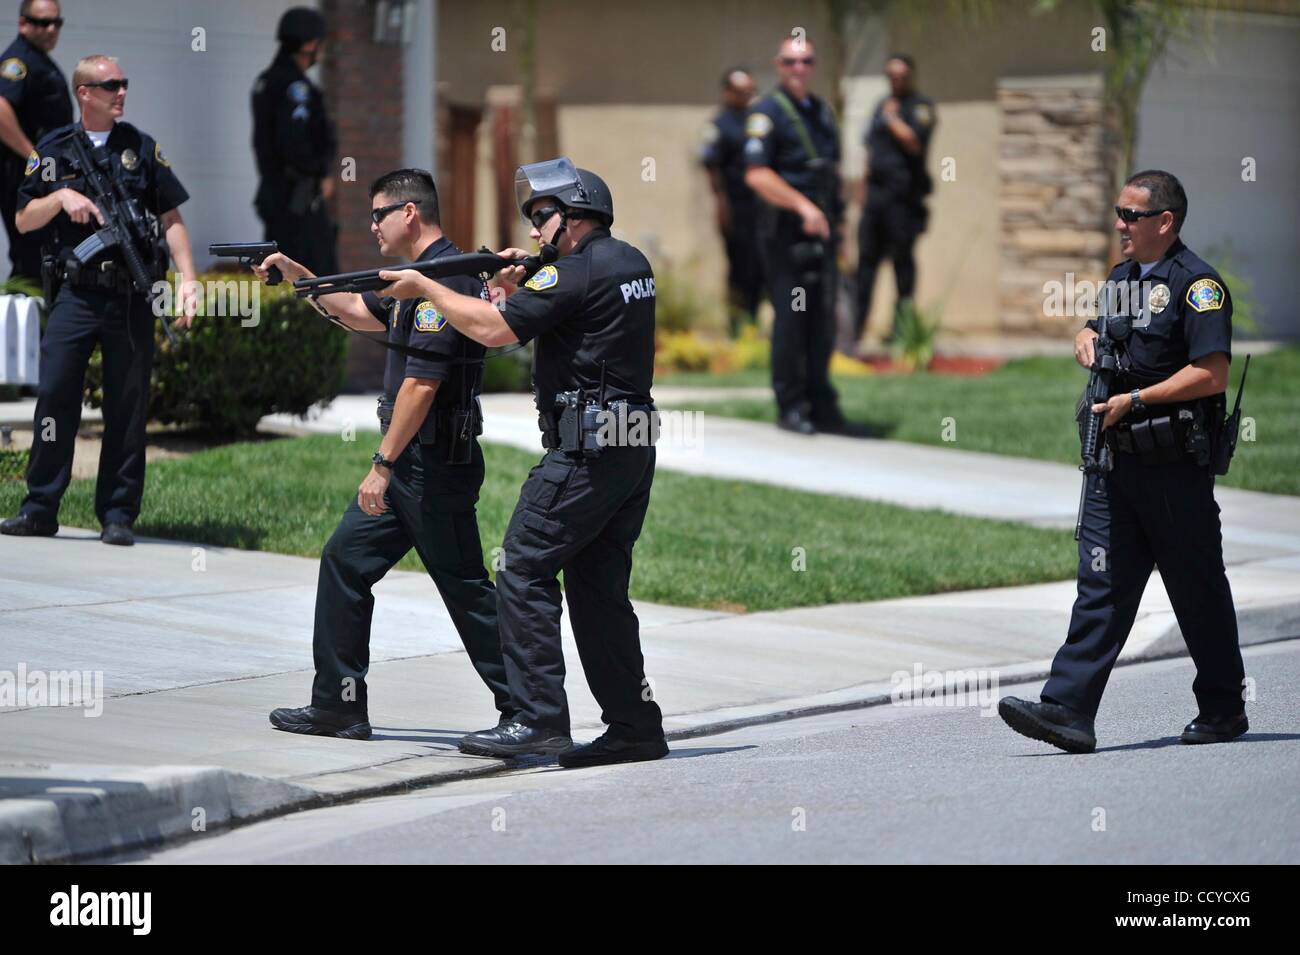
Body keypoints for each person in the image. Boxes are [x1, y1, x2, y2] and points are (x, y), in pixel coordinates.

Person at [377, 158, 667, 769]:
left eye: (542, 218)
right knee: (598, 590)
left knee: (524, 568)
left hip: (587, 448)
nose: (535, 232)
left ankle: (537, 720)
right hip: (630, 443)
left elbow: (494, 332)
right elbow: (564, 323)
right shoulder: (628, 263)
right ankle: (635, 726)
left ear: (577, 214)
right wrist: (519, 284)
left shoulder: (574, 272)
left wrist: (429, 286)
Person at [259, 168, 513, 740]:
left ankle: (529, 708)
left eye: (378, 214)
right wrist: (301, 277)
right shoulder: (414, 279)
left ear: (409, 214)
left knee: (467, 590)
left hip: (429, 467)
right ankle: (339, 704)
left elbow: (421, 385)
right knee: (345, 563)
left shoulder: (443, 282)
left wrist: (383, 464)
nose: (371, 225)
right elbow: (356, 309)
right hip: (413, 466)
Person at [1000, 170, 1247, 753]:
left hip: (1172, 467)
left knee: (1196, 589)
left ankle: (1223, 708)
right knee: (1102, 584)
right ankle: (1068, 710)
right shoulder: (1122, 279)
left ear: (1165, 221)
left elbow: (1211, 374)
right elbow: (1102, 330)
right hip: (1116, 464)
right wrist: (1084, 336)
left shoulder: (1198, 286)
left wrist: (1137, 399)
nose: (1119, 225)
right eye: (1119, 213)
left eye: (1130, 216)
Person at [0, 54, 196, 547]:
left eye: (124, 84)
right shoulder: (52, 150)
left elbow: (171, 219)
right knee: (55, 397)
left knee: (127, 408)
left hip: (130, 297)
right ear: (84, 93)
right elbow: (24, 218)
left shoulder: (141, 148)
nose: (121, 93)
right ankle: (40, 507)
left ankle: (117, 514)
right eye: (110, 85)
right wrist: (59, 199)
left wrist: (188, 279)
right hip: (76, 295)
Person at [744, 35, 857, 436]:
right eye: (791, 62)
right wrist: (803, 207)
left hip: (822, 236)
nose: (799, 69)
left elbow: (833, 174)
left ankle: (821, 401)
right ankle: (790, 405)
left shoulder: (821, 112)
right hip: (786, 236)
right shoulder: (768, 113)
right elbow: (757, 174)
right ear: (779, 65)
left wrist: (839, 226)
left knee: (821, 322)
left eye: (806, 61)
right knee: (792, 320)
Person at [853, 54, 935, 345]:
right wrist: (862, 194)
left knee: (902, 267)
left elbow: (914, 144)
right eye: (891, 76)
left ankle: (900, 333)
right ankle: (855, 331)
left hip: (904, 201)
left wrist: (891, 119)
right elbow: (870, 152)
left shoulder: (920, 107)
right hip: (876, 200)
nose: (895, 81)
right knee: (865, 266)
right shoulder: (880, 106)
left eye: (901, 76)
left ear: (911, 76)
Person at [251, 6, 337, 275]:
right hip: (297, 201)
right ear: (310, 44)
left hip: (276, 196)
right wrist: (319, 171)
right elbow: (294, 143)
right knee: (317, 275)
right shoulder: (295, 88)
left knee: (278, 269)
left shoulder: (265, 82)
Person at [0, 0, 71, 280]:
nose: (51, 29)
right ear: (23, 24)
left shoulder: (39, 59)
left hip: (43, 173)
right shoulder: (19, 61)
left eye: (56, 23)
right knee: (31, 253)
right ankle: (28, 316)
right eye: (42, 23)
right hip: (24, 176)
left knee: (46, 253)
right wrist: (33, 156)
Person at [701, 66, 764, 336]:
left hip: (760, 207)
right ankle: (737, 326)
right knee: (739, 267)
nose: (746, 96)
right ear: (728, 92)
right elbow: (712, 167)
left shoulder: (758, 121)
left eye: (750, 91)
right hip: (735, 206)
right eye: (740, 91)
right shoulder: (719, 125)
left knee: (761, 266)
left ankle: (754, 321)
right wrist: (721, 204)